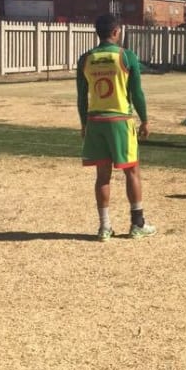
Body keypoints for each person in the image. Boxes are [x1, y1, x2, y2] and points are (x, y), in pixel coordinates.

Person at [76, 14, 156, 242]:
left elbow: (82, 97)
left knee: (102, 176)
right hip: (120, 120)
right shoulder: (126, 56)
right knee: (132, 171)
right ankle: (137, 224)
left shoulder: (86, 59)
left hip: (95, 120)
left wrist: (83, 123)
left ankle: (104, 227)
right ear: (116, 32)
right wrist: (145, 119)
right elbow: (137, 93)